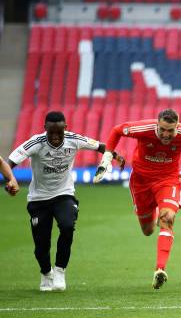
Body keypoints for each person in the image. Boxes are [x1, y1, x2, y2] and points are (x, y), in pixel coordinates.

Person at [93, 109, 181, 289]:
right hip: (141, 182)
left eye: (171, 130)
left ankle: (160, 269)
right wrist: (106, 158)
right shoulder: (144, 129)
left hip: (168, 180)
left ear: (177, 126)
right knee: (148, 229)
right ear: (157, 125)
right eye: (163, 129)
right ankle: (159, 210)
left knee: (167, 219)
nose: (166, 134)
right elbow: (117, 130)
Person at [7, 111, 121, 291]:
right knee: (41, 244)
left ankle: (60, 270)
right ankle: (46, 273)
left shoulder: (73, 139)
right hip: (39, 198)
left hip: (64, 194)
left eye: (59, 132)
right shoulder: (35, 143)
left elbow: (99, 146)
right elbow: (10, 161)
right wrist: (10, 179)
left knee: (68, 226)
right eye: (51, 132)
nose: (55, 136)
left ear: (65, 128)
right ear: (44, 128)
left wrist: (115, 156)